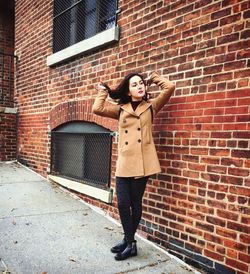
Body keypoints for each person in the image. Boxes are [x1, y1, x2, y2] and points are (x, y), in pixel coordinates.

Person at [92, 71, 175, 261]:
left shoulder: (151, 107)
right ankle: (130, 240)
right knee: (122, 203)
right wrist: (103, 92)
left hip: (143, 162)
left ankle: (129, 243)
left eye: (140, 83)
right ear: (128, 91)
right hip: (125, 161)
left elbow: (169, 87)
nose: (139, 86)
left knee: (135, 203)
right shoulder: (121, 109)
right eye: (134, 84)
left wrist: (153, 77)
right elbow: (98, 109)